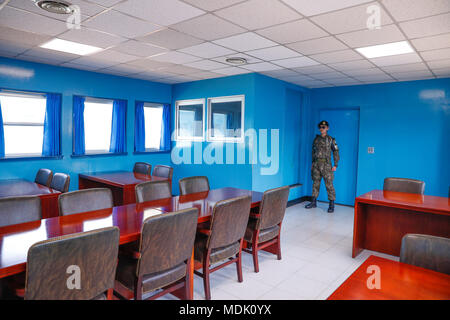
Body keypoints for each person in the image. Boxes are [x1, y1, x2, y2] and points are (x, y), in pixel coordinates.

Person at [305, 120, 340, 213]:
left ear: (327, 128)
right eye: (320, 127)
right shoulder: (316, 139)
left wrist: (335, 164)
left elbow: (336, 152)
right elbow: (313, 152)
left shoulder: (331, 140)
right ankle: (313, 202)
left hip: (326, 165)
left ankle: (331, 205)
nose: (321, 129)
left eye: (323, 127)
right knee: (315, 183)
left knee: (329, 184)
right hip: (316, 164)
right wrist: (313, 163)